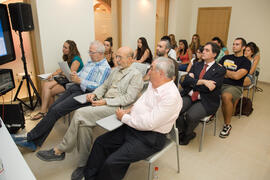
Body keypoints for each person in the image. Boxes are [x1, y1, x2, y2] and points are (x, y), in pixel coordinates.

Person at [35, 46, 144, 180]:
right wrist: (94, 94)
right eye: (116, 56)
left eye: (119, 57)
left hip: (117, 107)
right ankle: (83, 164)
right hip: (105, 101)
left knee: (80, 114)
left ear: (130, 59)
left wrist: (104, 102)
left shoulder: (136, 75)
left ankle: (60, 150)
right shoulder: (115, 71)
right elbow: (103, 86)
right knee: (83, 125)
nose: (116, 60)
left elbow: (128, 98)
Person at [83, 57, 182, 180]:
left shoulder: (171, 96)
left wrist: (124, 117)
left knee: (112, 162)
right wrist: (129, 110)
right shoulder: (154, 84)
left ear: (161, 73)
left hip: (150, 138)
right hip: (133, 126)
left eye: (151, 68)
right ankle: (89, 176)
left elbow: (149, 123)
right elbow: (142, 101)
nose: (148, 71)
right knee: (100, 143)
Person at [12, 40, 111, 150]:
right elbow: (81, 74)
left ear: (101, 53)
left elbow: (98, 87)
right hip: (76, 87)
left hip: (86, 94)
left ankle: (30, 138)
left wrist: (80, 81)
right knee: (53, 108)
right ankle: (33, 141)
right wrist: (75, 75)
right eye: (89, 52)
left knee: (55, 111)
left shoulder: (105, 68)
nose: (90, 55)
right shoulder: (91, 61)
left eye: (92, 52)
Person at [177, 42, 226, 145]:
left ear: (214, 54)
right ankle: (183, 131)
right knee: (176, 109)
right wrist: (203, 81)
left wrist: (193, 81)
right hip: (190, 94)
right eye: (203, 49)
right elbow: (184, 82)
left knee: (191, 115)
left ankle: (187, 134)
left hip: (206, 99)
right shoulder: (197, 64)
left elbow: (209, 89)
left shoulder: (220, 69)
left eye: (207, 50)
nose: (203, 51)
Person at [31, 40, 84, 120]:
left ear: (71, 49)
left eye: (65, 47)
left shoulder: (76, 59)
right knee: (49, 90)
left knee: (47, 87)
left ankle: (44, 112)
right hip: (66, 81)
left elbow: (70, 75)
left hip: (72, 84)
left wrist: (61, 72)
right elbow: (61, 69)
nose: (63, 49)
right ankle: (49, 113)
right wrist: (52, 74)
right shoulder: (68, 57)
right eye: (63, 47)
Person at [219, 37, 251, 138]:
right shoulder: (225, 57)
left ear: (243, 47)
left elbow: (237, 77)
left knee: (226, 96)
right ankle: (209, 114)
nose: (234, 46)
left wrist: (224, 71)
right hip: (220, 83)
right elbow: (217, 71)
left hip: (234, 86)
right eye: (233, 44)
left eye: (237, 44)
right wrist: (231, 73)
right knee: (205, 89)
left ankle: (227, 125)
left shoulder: (245, 62)